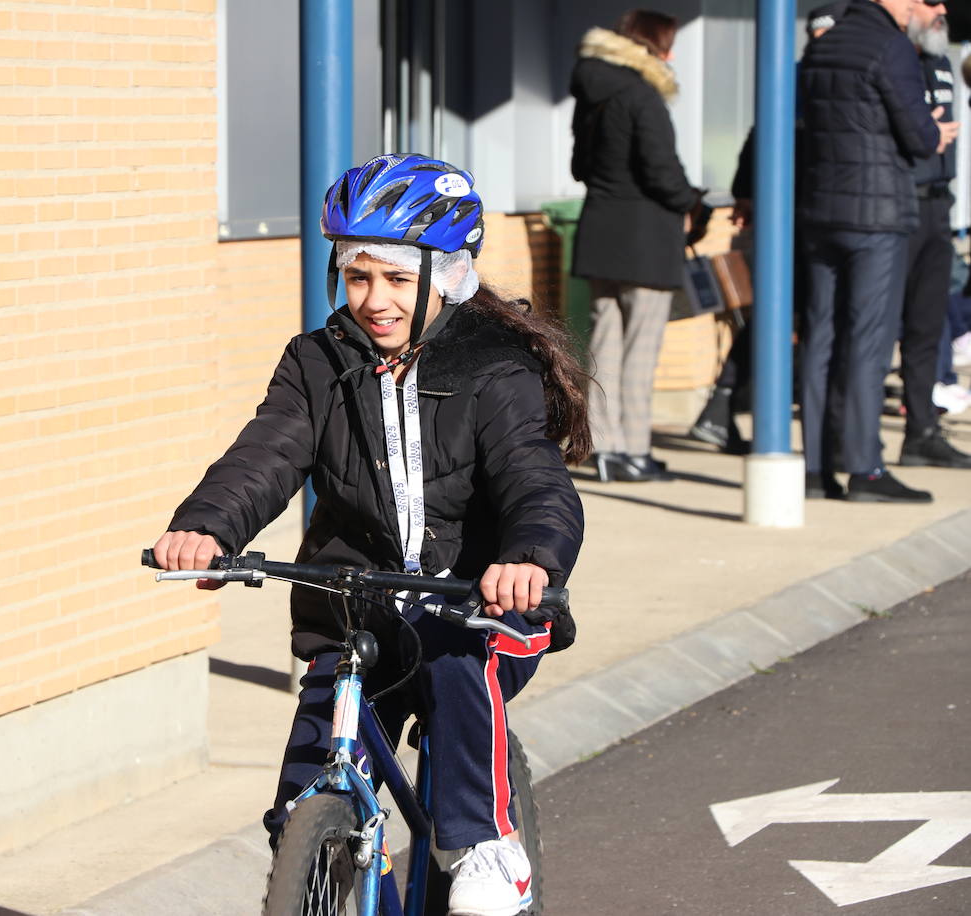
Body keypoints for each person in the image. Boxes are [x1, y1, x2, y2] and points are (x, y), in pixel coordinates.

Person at [152, 154, 589, 916]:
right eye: (357, 277)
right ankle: (345, 869)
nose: (373, 300)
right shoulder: (318, 363)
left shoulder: (494, 367)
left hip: (479, 605)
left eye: (395, 279)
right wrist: (204, 527)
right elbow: (265, 454)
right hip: (358, 610)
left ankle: (484, 844)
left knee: (458, 666)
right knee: (308, 789)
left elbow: (534, 479)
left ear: (447, 274)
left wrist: (527, 559)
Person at [796, 0, 955, 502]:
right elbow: (918, 134)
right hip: (877, 216)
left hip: (821, 213)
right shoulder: (892, 46)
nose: (923, 8)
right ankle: (866, 468)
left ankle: (817, 470)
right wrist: (937, 133)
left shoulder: (822, 47)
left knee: (820, 338)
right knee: (868, 340)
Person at [689, 3, 849, 453]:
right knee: (781, 318)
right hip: (800, 221)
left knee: (777, 317)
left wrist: (745, 193)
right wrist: (747, 194)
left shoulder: (798, 75)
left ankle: (721, 409)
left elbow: (758, 137)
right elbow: (763, 137)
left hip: (791, 216)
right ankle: (722, 409)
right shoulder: (818, 80)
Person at [570, 9, 704, 482]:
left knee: (604, 347)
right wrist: (693, 201)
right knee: (640, 351)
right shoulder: (642, 94)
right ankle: (635, 452)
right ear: (656, 47)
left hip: (600, 232)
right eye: (669, 45)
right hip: (646, 240)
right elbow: (663, 173)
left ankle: (602, 449)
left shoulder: (592, 93)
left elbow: (580, 168)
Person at [890, 1, 971, 468]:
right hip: (898, 206)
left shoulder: (942, 59)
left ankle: (922, 431)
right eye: (929, 2)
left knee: (928, 326)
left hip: (939, 205)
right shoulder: (891, 57)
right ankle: (847, 438)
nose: (941, 10)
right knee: (877, 329)